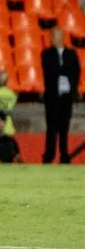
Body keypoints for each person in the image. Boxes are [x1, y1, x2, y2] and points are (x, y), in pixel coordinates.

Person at [41, 28, 80, 164]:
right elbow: (50, 69)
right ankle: (49, 154)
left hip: (66, 97)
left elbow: (76, 71)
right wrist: (64, 71)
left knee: (64, 127)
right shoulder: (46, 54)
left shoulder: (71, 54)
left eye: (54, 36)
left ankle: (64, 155)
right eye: (51, 36)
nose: (51, 39)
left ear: (61, 38)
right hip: (52, 97)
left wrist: (64, 74)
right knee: (51, 127)